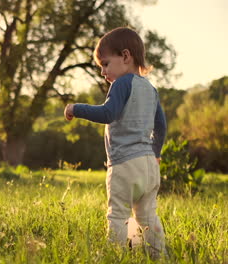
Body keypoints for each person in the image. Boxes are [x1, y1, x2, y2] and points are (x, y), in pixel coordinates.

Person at [64, 27, 167, 259]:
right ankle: (160, 256)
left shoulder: (122, 83)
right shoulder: (151, 89)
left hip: (124, 164)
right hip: (149, 165)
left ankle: (114, 256)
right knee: (148, 216)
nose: (102, 71)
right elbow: (161, 126)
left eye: (105, 64)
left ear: (126, 56)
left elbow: (108, 114)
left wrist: (75, 108)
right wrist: (156, 153)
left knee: (118, 215)